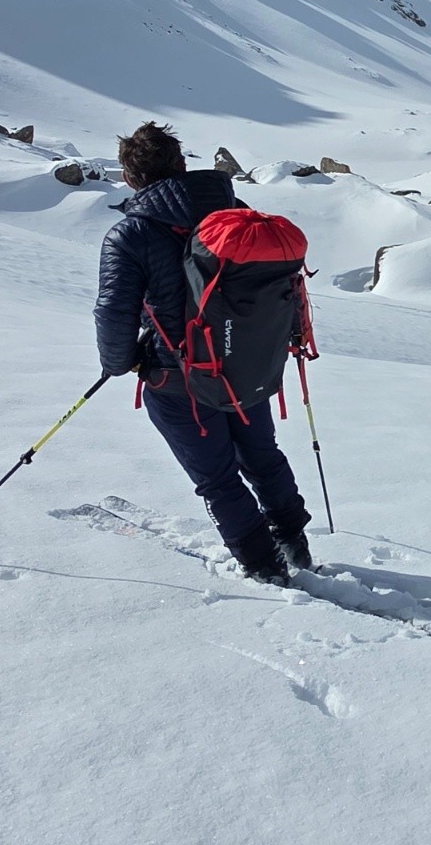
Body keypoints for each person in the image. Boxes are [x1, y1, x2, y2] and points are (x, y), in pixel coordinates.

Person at [93, 122, 312, 584]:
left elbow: (114, 312)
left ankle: (265, 569)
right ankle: (294, 544)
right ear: (181, 164)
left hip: (179, 379)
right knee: (263, 455)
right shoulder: (236, 212)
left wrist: (119, 362)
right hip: (248, 365)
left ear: (131, 178)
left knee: (217, 478)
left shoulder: (130, 234)